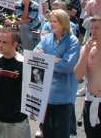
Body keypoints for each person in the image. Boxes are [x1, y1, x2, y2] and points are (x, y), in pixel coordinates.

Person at [35, 9, 80, 138]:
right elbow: (35, 55)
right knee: (47, 132)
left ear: (63, 23)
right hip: (46, 95)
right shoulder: (47, 38)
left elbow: (67, 66)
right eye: (50, 21)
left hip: (63, 96)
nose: (51, 24)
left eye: (55, 21)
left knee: (61, 134)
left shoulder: (73, 41)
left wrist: (46, 59)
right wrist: (55, 59)